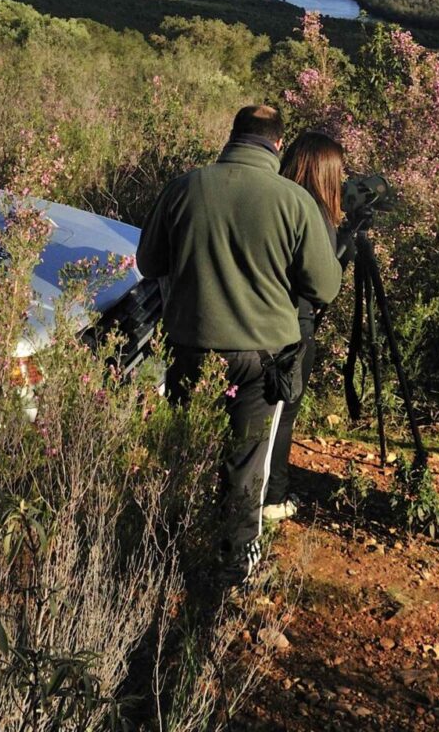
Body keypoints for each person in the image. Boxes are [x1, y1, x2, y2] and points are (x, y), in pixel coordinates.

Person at [138, 104, 343, 587]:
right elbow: (325, 287)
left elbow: (149, 263)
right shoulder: (294, 201)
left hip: (190, 345)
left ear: (232, 136)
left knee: (187, 443)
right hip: (263, 358)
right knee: (249, 458)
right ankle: (235, 560)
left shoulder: (184, 187)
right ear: (277, 145)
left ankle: (169, 542)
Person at [262, 130, 349, 523]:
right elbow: (322, 288)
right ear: (327, 172)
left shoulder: (271, 199)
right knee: (282, 414)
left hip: (252, 323)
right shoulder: (314, 214)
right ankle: (272, 496)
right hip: (292, 331)